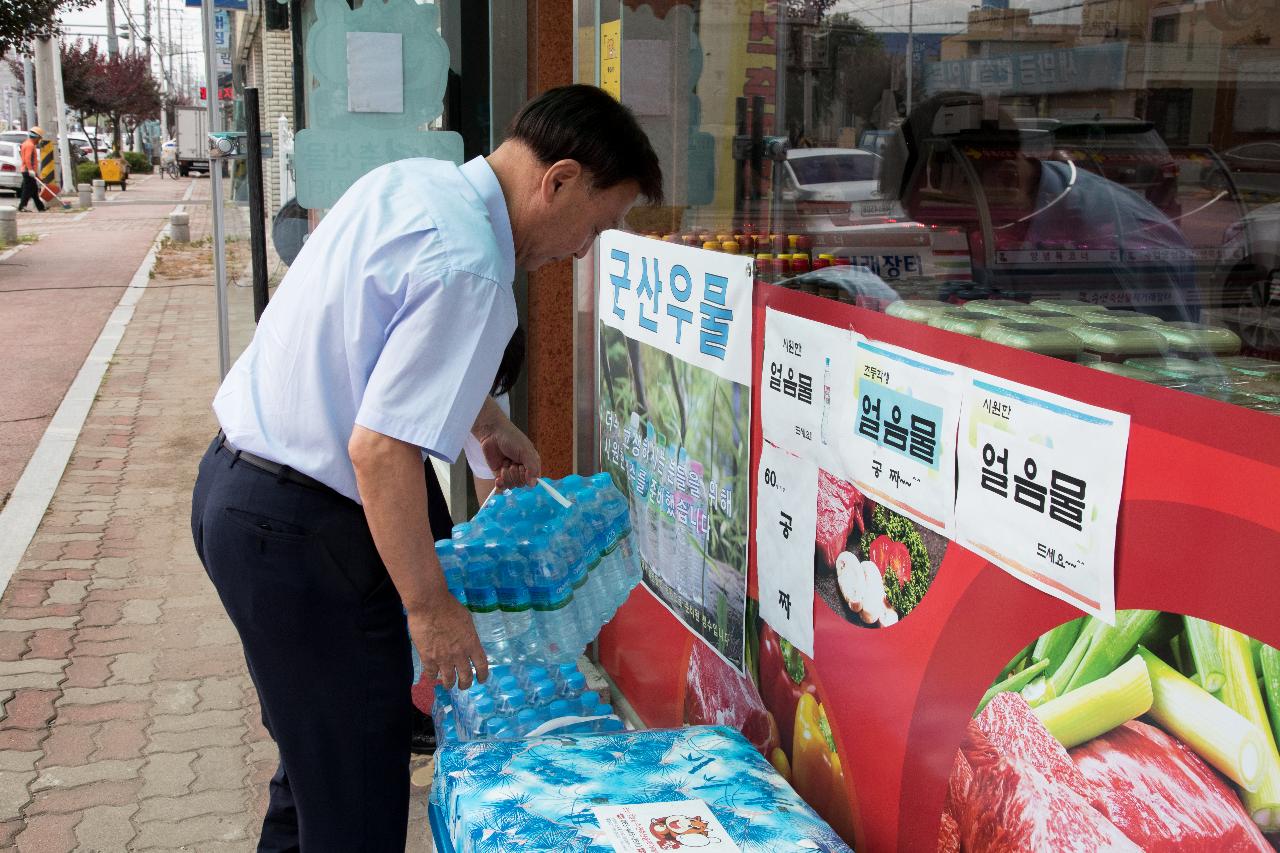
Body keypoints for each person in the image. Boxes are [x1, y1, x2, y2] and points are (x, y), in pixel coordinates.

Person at [190, 84, 662, 852]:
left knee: (312, 778)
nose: (583, 249)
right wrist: (430, 608)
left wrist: (485, 421)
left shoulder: (412, 184)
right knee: (355, 815)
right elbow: (379, 450)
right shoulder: (475, 267)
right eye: (596, 225)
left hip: (234, 495)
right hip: (305, 536)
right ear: (562, 180)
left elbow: (376, 342)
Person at [17, 127, 45, 213]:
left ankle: (41, 207)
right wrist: (30, 170)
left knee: (34, 191)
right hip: (28, 171)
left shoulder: (26, 143)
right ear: (37, 137)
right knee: (27, 190)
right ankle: (22, 206)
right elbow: (27, 159)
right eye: (39, 138)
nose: (39, 140)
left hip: (28, 171)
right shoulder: (30, 145)